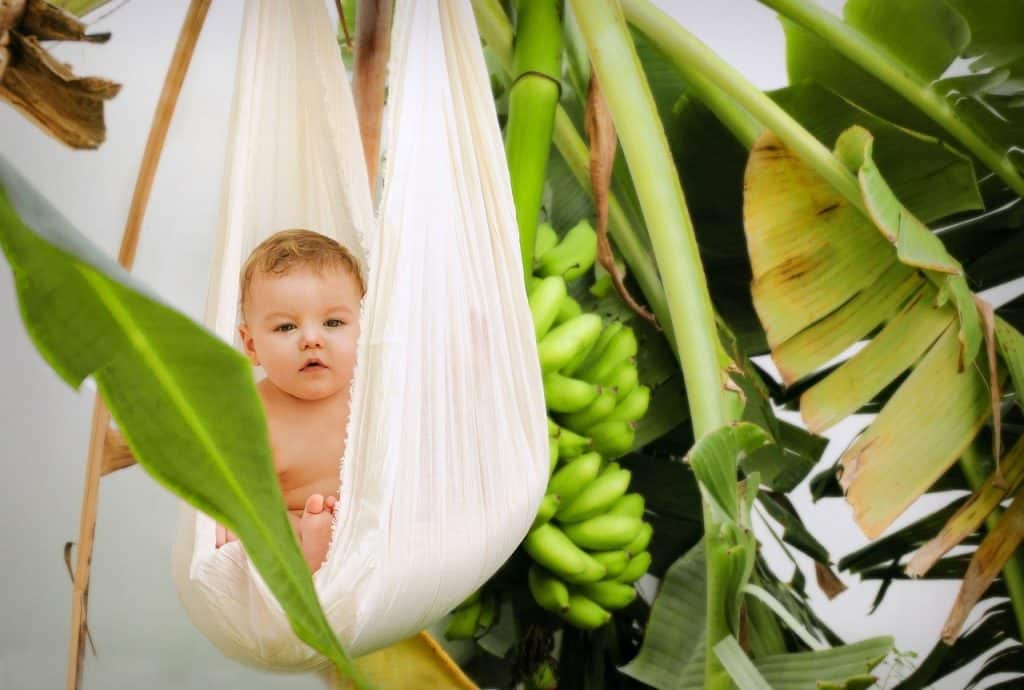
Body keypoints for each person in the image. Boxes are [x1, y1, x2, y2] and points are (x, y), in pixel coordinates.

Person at [211, 228, 364, 573]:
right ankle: (311, 549)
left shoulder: (372, 392)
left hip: (366, 523)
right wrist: (219, 513)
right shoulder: (249, 413)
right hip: (292, 521)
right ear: (251, 346)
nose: (311, 339)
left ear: (364, 330)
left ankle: (323, 545)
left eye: (333, 322)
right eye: (285, 328)